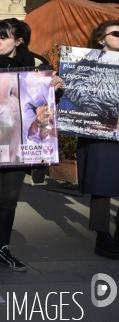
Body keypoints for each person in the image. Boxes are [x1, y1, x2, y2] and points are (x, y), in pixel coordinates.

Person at [0, 18, 64, 274]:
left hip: (19, 143)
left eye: (4, 37)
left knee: (9, 199)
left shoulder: (37, 65)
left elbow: (47, 105)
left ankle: (2, 249)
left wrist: (57, 88)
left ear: (19, 41)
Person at [76, 20, 119, 259]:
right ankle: (102, 237)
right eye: (116, 33)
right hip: (99, 131)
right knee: (101, 183)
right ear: (101, 39)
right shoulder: (85, 62)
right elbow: (75, 94)